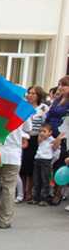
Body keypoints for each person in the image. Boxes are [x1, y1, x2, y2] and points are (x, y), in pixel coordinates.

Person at [20, 86, 48, 200]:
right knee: (23, 165)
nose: (30, 95)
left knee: (31, 166)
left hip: (35, 138)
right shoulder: (24, 106)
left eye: (33, 93)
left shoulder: (42, 108)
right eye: (29, 93)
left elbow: (45, 123)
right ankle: (21, 189)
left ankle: (29, 191)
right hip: (24, 137)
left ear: (38, 95)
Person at [47, 76, 69, 205]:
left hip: (64, 137)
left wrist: (60, 137)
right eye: (59, 85)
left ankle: (58, 192)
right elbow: (49, 116)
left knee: (61, 164)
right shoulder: (58, 100)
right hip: (52, 133)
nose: (60, 88)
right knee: (52, 164)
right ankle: (51, 189)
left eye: (64, 85)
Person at [29, 123, 55, 206]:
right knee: (37, 180)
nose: (42, 133)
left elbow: (56, 153)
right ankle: (36, 197)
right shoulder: (41, 140)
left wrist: (51, 161)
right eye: (40, 131)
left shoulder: (52, 141)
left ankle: (45, 198)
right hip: (38, 160)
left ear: (50, 132)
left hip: (46, 161)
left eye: (44, 131)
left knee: (45, 181)